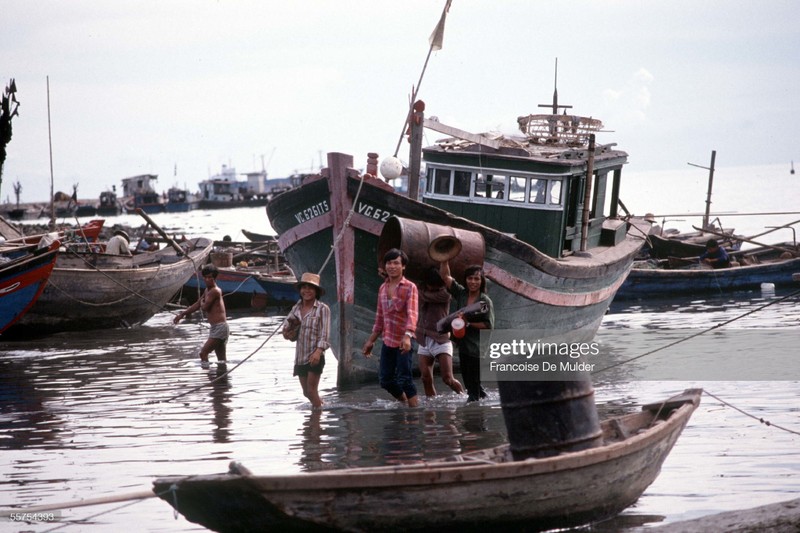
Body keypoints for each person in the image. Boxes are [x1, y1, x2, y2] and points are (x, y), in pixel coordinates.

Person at [362, 248, 419, 407]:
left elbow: (412, 314)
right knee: (385, 380)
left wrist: (408, 336)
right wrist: (370, 341)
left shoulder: (410, 287)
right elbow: (380, 318)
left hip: (404, 340)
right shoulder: (382, 288)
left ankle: (414, 415)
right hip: (388, 340)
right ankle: (404, 403)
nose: (392, 266)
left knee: (405, 379)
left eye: (396, 263)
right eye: (389, 263)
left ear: (403, 266)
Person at [441, 262, 494, 402]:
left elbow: (488, 325)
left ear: (482, 281)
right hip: (464, 345)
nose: (473, 282)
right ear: (465, 279)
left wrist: (468, 323)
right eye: (470, 278)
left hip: (476, 348)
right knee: (473, 385)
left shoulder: (483, 301)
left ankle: (473, 418)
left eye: (477, 279)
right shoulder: (462, 294)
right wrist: (444, 260)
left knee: (472, 391)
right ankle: (485, 408)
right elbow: (446, 277)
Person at [282, 272, 330, 409]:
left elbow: (325, 335)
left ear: (316, 291)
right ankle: (321, 407)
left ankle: (316, 422)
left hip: (315, 355)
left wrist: (318, 351)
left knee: (311, 390)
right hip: (300, 356)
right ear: (300, 290)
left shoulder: (322, 309)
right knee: (306, 393)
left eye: (311, 288)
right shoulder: (295, 309)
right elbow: (287, 330)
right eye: (304, 287)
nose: (307, 291)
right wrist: (287, 333)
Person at [417, 266, 464, 397]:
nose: (432, 289)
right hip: (424, 338)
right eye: (430, 286)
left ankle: (464, 397)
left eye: (435, 287)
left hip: (441, 339)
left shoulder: (445, 294)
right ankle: (431, 410)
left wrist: (420, 291)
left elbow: (425, 296)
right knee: (425, 378)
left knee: (447, 378)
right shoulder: (421, 289)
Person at [173, 264, 229, 366]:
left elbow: (204, 307)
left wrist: (202, 303)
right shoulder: (207, 290)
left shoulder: (215, 291)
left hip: (220, 328)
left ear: (214, 278)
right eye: (205, 277)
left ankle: (208, 379)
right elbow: (198, 304)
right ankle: (221, 380)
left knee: (203, 353)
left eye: (210, 278)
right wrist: (182, 314)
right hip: (216, 328)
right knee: (222, 360)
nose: (207, 280)